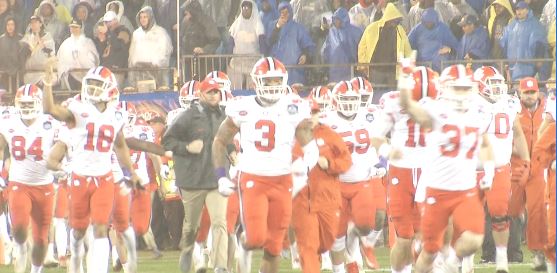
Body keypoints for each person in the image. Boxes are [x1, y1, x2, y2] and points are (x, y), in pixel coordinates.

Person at [211, 57, 315, 273]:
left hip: (283, 179)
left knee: (274, 247)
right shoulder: (243, 107)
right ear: (257, 82)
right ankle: (244, 243)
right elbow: (219, 141)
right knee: (256, 237)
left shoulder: (294, 106)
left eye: (277, 81)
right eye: (268, 81)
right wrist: (221, 175)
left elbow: (310, 144)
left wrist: (306, 168)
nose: (273, 86)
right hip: (253, 178)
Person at [43, 66, 142, 273]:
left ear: (110, 88)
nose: (93, 88)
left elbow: (121, 145)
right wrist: (48, 84)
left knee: (100, 227)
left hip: (104, 178)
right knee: (78, 230)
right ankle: (76, 256)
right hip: (79, 176)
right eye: (91, 84)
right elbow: (50, 109)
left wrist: (131, 171)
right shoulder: (77, 108)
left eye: (98, 85)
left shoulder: (116, 116)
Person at [399, 64, 495, 273]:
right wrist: (405, 77)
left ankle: (451, 264)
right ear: (444, 88)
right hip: (437, 190)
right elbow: (407, 104)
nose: (461, 92)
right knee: (430, 250)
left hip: (466, 190)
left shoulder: (479, 112)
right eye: (456, 87)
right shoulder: (434, 109)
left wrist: (489, 171)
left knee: (474, 238)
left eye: (465, 88)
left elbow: (486, 144)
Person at [371, 66, 439, 273]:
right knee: (403, 237)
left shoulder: (443, 102)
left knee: (428, 236)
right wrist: (386, 150)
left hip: (429, 172)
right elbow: (376, 136)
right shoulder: (394, 102)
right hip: (402, 173)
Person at [463, 66, 530, 273]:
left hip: (500, 167)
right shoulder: (469, 103)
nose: (498, 88)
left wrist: (526, 160)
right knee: (468, 218)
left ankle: (501, 260)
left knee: (500, 215)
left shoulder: (509, 103)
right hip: (472, 169)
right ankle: (467, 262)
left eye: (499, 83)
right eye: (492, 83)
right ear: (481, 85)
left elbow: (517, 133)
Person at [163, 78, 229, 273]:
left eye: (216, 91)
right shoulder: (187, 116)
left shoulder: (224, 115)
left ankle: (220, 267)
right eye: (209, 92)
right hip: (193, 181)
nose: (213, 95)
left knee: (220, 222)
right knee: (191, 227)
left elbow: (226, 138)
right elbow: (167, 141)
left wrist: (232, 150)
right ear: (200, 94)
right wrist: (186, 147)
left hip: (216, 178)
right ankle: (187, 258)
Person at [0, 84, 64, 273]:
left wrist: (62, 165)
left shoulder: (51, 122)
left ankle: (36, 270)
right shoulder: (8, 122)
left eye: (30, 103)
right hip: (19, 183)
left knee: (41, 238)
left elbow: (65, 146)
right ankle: (19, 251)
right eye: (23, 104)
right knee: (19, 228)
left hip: (44, 185)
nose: (27, 108)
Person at [291, 96, 352, 273]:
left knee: (326, 242)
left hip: (327, 198)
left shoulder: (330, 135)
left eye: (315, 112)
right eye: (308, 112)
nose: (311, 116)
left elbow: (346, 160)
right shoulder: (290, 135)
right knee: (308, 247)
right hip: (302, 199)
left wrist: (331, 165)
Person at [508, 77, 549, 270]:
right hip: (516, 167)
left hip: (538, 169)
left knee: (536, 211)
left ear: (538, 93)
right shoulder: (511, 110)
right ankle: (507, 250)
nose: (530, 96)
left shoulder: (547, 112)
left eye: (533, 92)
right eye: (526, 92)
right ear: (519, 92)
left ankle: (538, 252)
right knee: (510, 210)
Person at [358, 3, 411, 88]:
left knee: (392, 94)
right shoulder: (372, 28)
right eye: (395, 21)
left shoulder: (400, 30)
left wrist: (409, 64)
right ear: (388, 18)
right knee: (375, 93)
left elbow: (407, 48)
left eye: (398, 21)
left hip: (393, 70)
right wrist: (362, 64)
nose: (396, 23)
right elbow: (362, 47)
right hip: (375, 70)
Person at [265, 1, 315, 85]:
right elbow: (268, 43)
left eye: (286, 12)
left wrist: (305, 55)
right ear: (278, 13)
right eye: (282, 12)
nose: (284, 14)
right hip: (277, 71)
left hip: (295, 73)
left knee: (295, 96)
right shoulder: (272, 25)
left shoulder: (298, 27)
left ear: (290, 13)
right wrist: (277, 27)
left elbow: (309, 45)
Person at [128, 6, 173, 89]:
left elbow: (165, 52)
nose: (142, 19)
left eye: (145, 17)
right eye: (141, 17)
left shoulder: (161, 33)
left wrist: (155, 62)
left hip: (157, 73)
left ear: (150, 17)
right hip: (139, 73)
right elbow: (132, 55)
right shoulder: (136, 34)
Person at [499, 1, 547, 80]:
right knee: (515, 88)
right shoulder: (511, 25)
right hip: (513, 66)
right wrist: (505, 61)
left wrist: (539, 59)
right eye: (517, 9)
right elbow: (504, 43)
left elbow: (540, 43)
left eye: (522, 9)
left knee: (527, 89)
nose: (519, 11)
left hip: (529, 67)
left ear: (527, 10)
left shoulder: (535, 24)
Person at [228, 0, 265, 89]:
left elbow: (262, 44)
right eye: (243, 7)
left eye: (248, 7)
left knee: (253, 90)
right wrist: (228, 59)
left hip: (253, 63)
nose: (245, 9)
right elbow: (230, 44)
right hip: (237, 63)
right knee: (235, 89)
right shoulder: (236, 25)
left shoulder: (258, 25)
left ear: (252, 9)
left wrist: (263, 58)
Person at [407, 8, 458, 72]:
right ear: (423, 21)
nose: (429, 24)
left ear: (436, 20)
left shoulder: (443, 28)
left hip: (440, 64)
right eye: (426, 22)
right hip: (422, 64)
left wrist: (449, 49)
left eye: (431, 22)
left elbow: (455, 45)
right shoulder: (417, 29)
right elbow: (408, 43)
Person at [321, 7, 362, 83]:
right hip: (335, 70)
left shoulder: (356, 31)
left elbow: (362, 49)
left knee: (349, 90)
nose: (335, 21)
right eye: (334, 19)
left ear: (343, 19)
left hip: (350, 69)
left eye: (337, 19)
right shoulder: (332, 31)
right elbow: (325, 50)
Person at [56, 19, 99, 91]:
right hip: (70, 75)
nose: (73, 29)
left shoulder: (88, 42)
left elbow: (95, 58)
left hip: (85, 74)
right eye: (72, 27)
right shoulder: (66, 43)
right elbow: (59, 58)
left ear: (81, 28)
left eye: (76, 27)